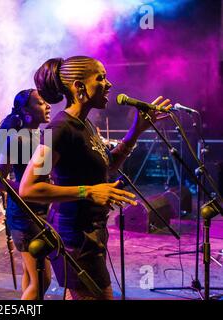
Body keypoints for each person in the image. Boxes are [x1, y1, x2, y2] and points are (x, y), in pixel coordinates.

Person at [19, 56, 171, 300]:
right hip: (75, 238)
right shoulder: (60, 129)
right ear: (79, 87)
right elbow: (28, 187)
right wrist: (88, 191)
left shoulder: (84, 125)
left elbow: (106, 168)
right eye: (101, 78)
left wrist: (135, 132)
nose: (108, 84)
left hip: (91, 233)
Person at [0, 89, 52, 300]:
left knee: (31, 274)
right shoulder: (16, 140)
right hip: (24, 216)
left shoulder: (43, 136)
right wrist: (29, 187)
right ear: (26, 110)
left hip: (41, 213)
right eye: (41, 103)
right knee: (43, 279)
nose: (48, 106)